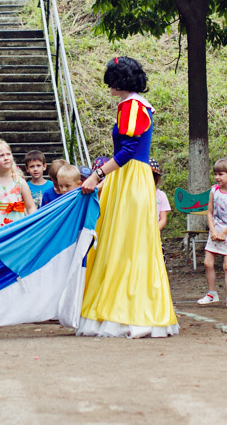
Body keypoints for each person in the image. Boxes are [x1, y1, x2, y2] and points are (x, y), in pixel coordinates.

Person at [78, 56, 178, 338]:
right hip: (132, 178)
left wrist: (97, 175)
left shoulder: (130, 106)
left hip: (129, 178)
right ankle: (130, 310)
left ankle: (123, 313)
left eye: (111, 77)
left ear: (120, 81)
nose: (107, 83)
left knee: (123, 243)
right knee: (128, 244)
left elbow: (127, 151)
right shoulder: (135, 104)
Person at [197, 158, 227, 309]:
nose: (217, 177)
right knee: (207, 263)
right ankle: (212, 294)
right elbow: (210, 213)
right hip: (215, 232)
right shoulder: (214, 190)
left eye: (221, 174)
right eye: (215, 174)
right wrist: (213, 231)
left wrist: (224, 232)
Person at [0, 140, 36, 229]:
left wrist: (32, 224)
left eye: (8, 154)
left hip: (19, 225)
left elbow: (31, 207)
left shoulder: (20, 181)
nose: (6, 158)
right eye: (1, 156)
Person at [150, 159, 170, 232]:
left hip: (154, 235)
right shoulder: (136, 194)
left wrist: (154, 231)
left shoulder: (161, 195)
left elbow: (163, 218)